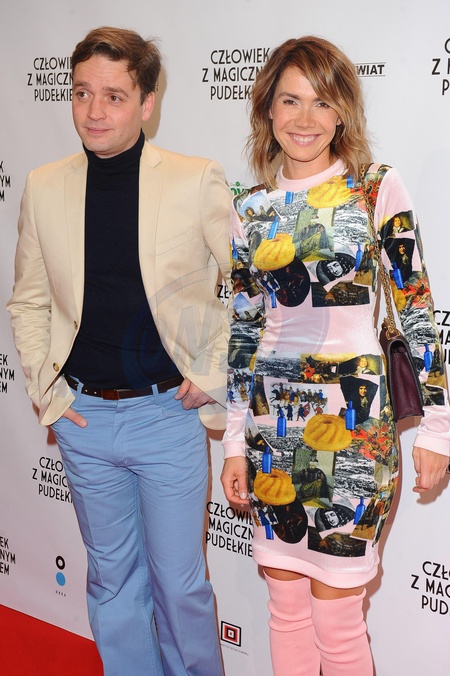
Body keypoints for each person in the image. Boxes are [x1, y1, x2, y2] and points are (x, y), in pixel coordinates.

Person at [220, 36, 450, 676]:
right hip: (273, 431)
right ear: (267, 109)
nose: (305, 118)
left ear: (343, 112)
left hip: (356, 432)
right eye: (290, 100)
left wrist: (436, 427)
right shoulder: (249, 209)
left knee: (338, 625)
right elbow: (244, 331)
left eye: (322, 102)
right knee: (286, 612)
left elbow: (416, 308)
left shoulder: (374, 189)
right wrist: (234, 441)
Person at [8, 26, 231, 676]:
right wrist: (47, 394)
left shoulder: (194, 180)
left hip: (168, 416)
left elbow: (250, 287)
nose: (95, 111)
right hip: (85, 420)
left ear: (146, 102)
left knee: (180, 587)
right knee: (111, 583)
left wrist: (214, 369)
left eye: (114, 96)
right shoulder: (44, 184)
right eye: (82, 93)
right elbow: (28, 300)